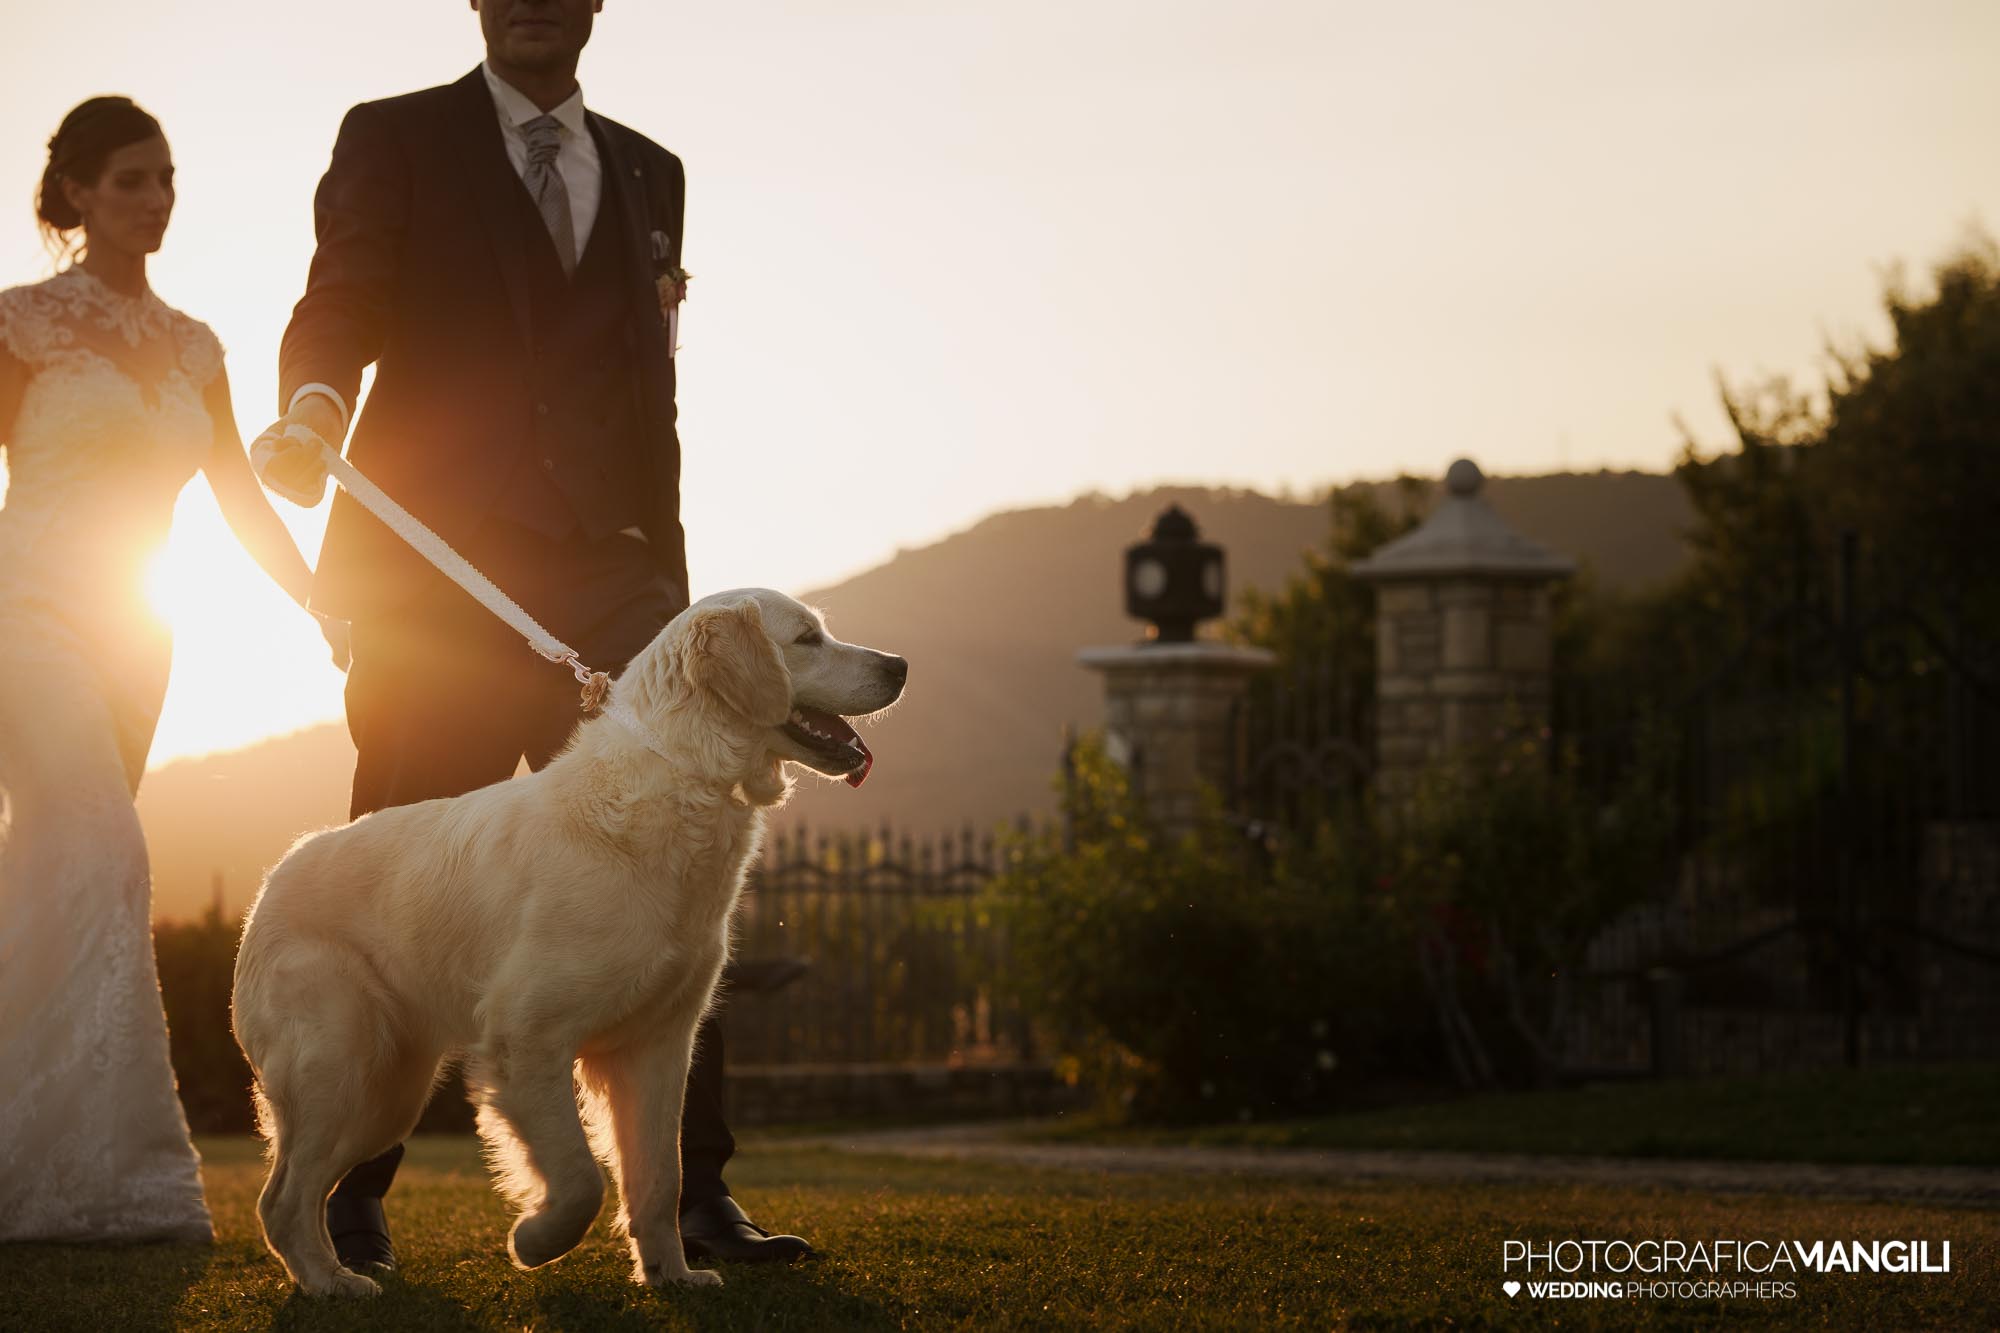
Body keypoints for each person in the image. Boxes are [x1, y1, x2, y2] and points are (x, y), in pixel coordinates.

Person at [256, 0, 814, 1275]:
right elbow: (339, 300)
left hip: (610, 575)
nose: (529, 3)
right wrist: (311, 404)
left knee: (679, 857)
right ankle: (349, 1203)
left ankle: (684, 1205)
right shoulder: (392, 139)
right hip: (433, 573)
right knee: (407, 863)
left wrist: (668, 597)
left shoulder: (647, 169)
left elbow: (645, 388)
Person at [0, 96, 333, 1244]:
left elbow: (239, 501)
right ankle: (99, 1179)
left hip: (138, 637)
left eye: (168, 180)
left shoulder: (196, 346)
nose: (157, 200)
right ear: (78, 194)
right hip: (27, 615)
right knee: (105, 845)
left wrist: (323, 600)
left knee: (60, 874)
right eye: (134, 179)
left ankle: (52, 1163)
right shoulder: (18, 324)